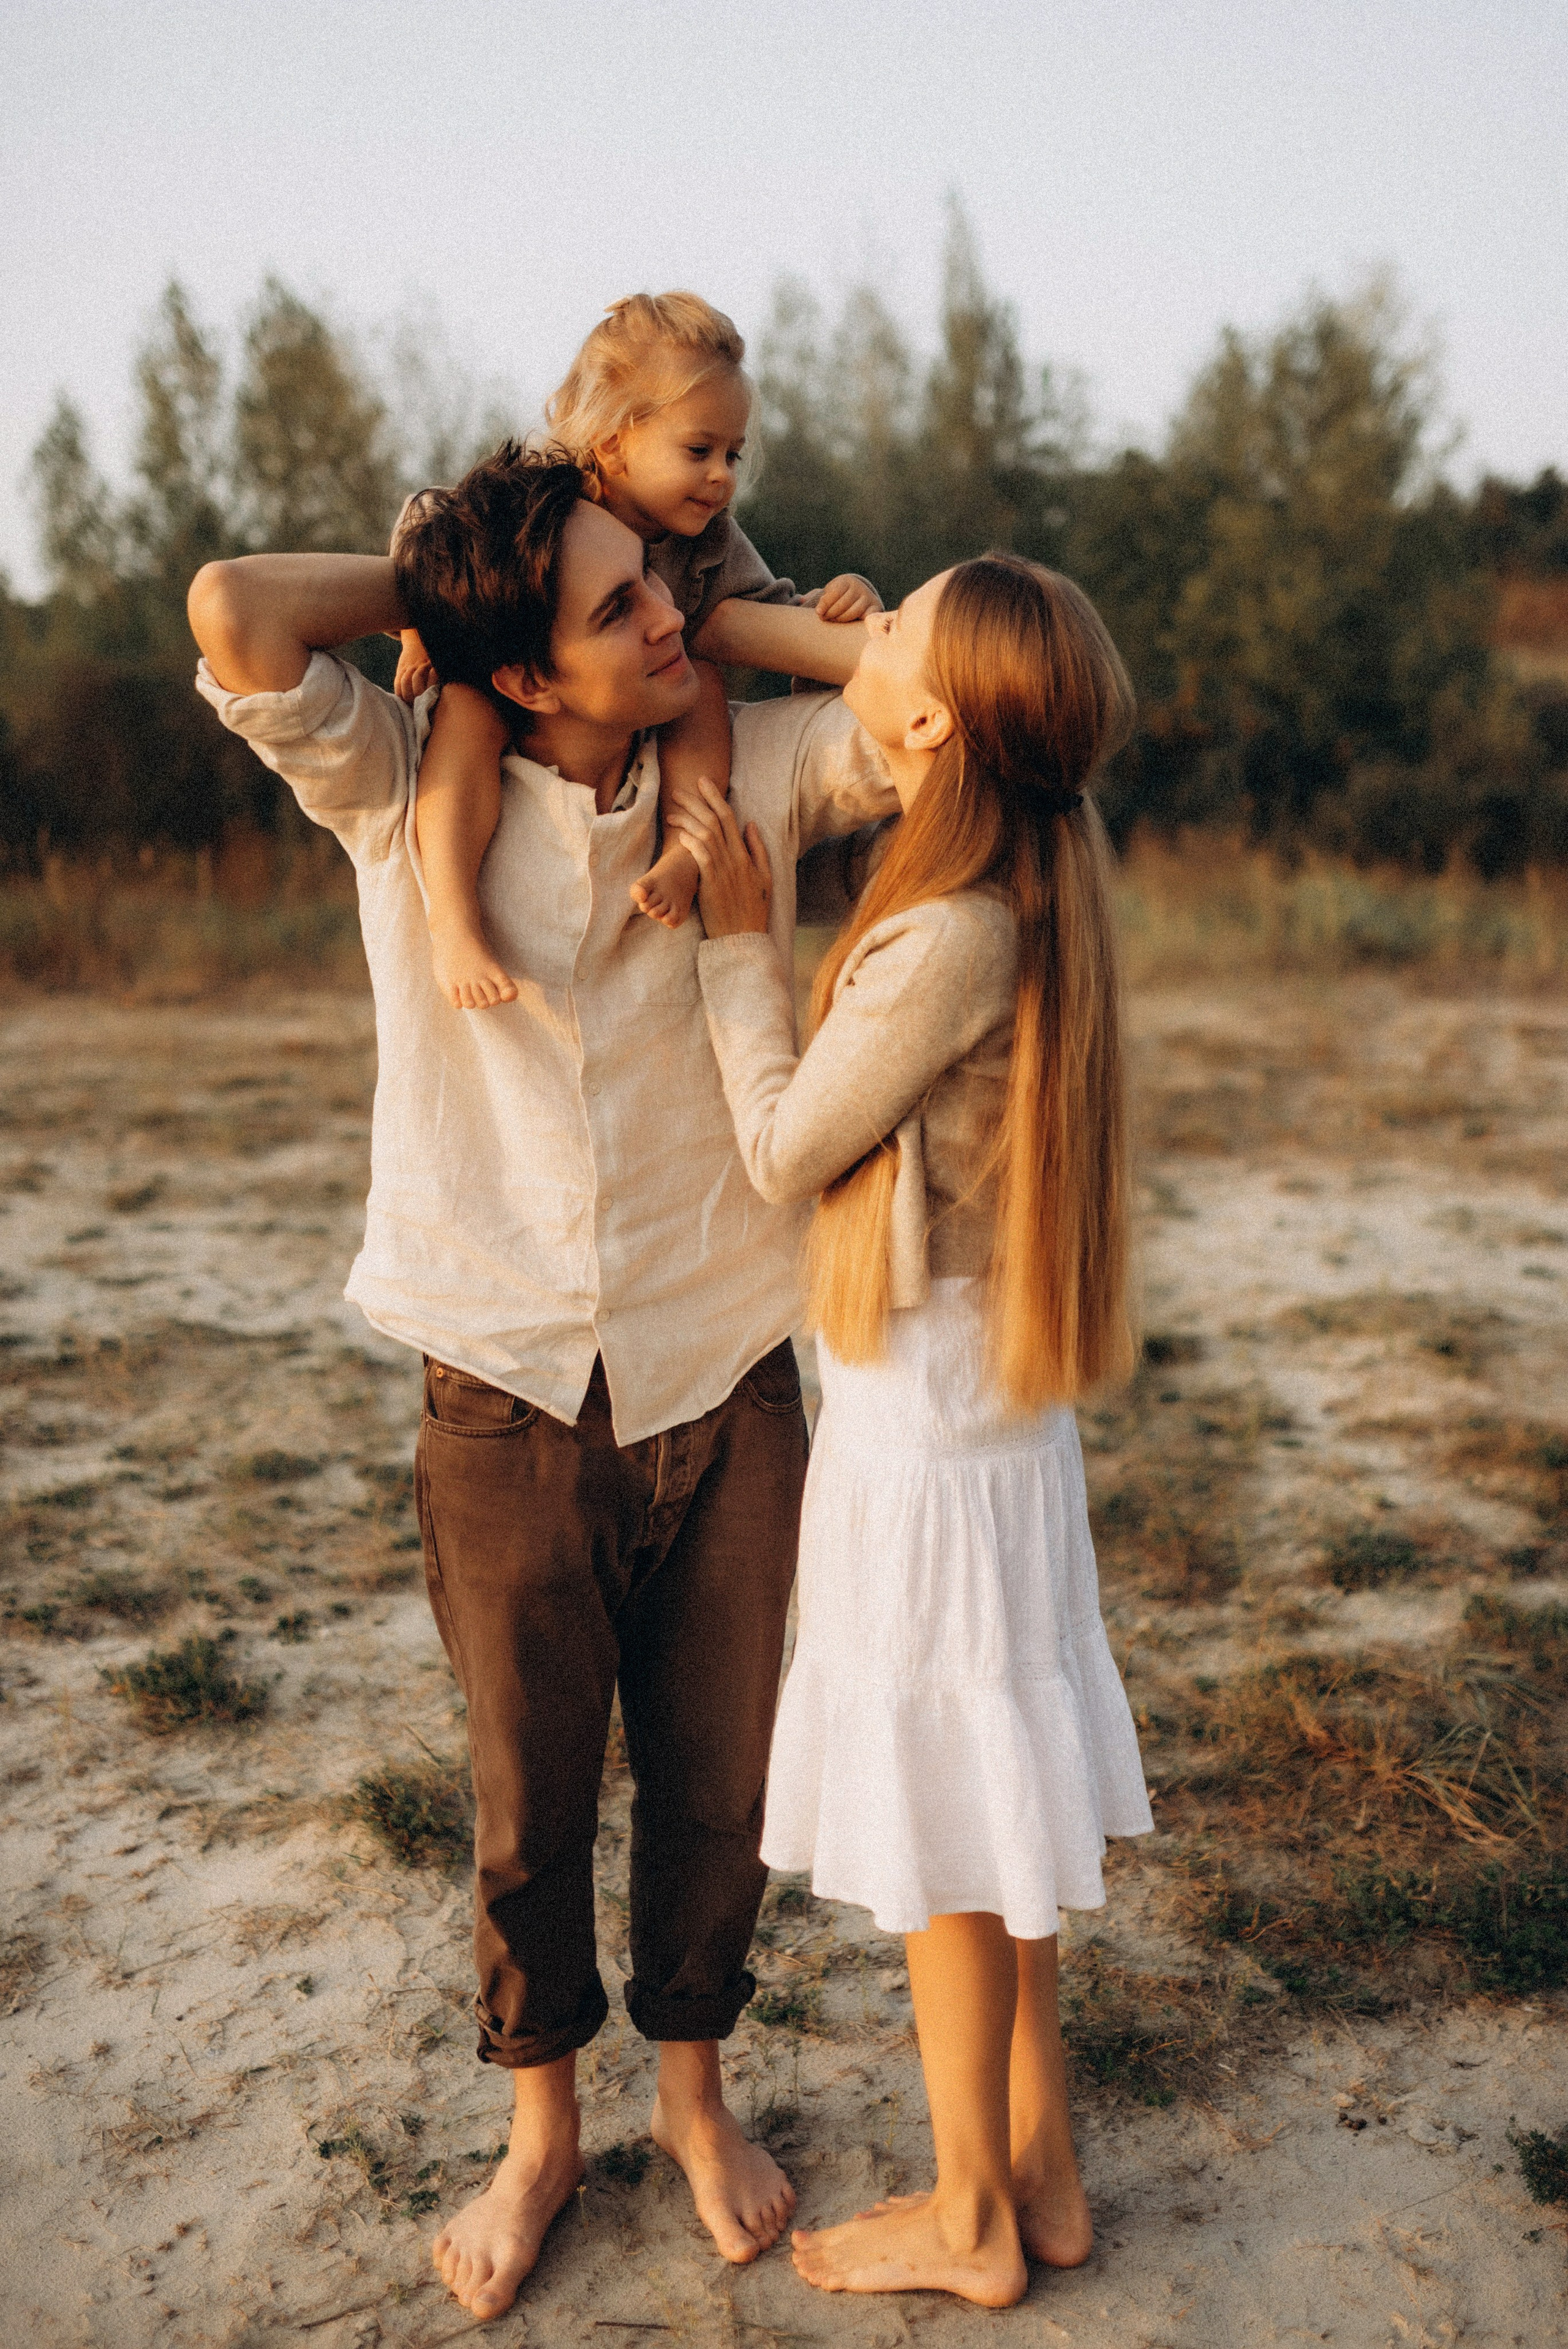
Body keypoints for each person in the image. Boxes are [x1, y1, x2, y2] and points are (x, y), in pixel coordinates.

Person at [184, 441, 899, 2323]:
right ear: (513, 668)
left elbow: (922, 696)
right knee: (528, 1804)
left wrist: (725, 610)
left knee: (714, 1782)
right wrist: (442, 590)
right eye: (617, 605)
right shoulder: (401, 783)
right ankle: (540, 2139)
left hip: (725, 1361)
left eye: (664, 583)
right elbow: (235, 617)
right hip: (497, 1376)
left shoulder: (729, 758)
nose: (666, 614)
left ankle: (689, 2097)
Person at [677, 554, 1155, 2306]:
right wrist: (726, 603)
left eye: (889, 634)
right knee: (1004, 1802)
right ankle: (1038, 2162)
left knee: (952, 1841)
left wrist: (744, 950)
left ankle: (966, 2220)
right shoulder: (1022, 861)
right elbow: (872, 661)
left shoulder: (945, 931)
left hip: (925, 1447)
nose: (858, 642)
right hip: (998, 1423)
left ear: (935, 722)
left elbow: (791, 1147)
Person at [396, 292, 880, 1008]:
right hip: (523, 691)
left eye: (733, 454)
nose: (723, 476)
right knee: (467, 712)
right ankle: (455, 922)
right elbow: (427, 526)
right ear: (615, 440)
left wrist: (841, 601)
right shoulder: (543, 496)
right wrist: (416, 632)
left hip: (650, 697)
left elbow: (772, 612)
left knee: (704, 686)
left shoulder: (710, 539)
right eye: (699, 451)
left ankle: (688, 849)